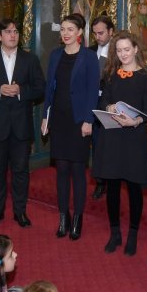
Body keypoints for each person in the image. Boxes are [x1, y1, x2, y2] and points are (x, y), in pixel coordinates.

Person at [0, 18, 46, 229]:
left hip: (21, 125)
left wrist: (22, 90)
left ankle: (20, 212)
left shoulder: (30, 59)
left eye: (16, 31)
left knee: (21, 171)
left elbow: (41, 88)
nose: (13, 35)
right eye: (8, 31)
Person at [93, 31, 147, 255]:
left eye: (127, 50)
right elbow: (102, 100)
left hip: (134, 137)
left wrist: (136, 120)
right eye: (119, 50)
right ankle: (115, 234)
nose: (123, 54)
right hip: (112, 136)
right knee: (111, 188)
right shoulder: (110, 74)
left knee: (133, 189)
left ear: (136, 49)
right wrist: (109, 107)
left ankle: (132, 234)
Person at [42, 14, 101, 241]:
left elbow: (91, 90)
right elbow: (50, 90)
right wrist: (46, 116)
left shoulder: (89, 57)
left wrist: (88, 120)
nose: (65, 33)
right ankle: (63, 216)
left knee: (77, 171)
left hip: (79, 121)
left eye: (70, 29)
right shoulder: (55, 55)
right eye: (63, 29)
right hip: (58, 119)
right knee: (61, 171)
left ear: (79, 33)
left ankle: (78, 217)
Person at [90, 15, 116, 201]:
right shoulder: (90, 52)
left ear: (110, 32)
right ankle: (100, 182)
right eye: (95, 33)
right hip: (92, 104)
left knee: (109, 146)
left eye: (101, 33)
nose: (98, 37)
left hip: (110, 105)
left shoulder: (118, 54)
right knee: (96, 144)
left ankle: (112, 180)